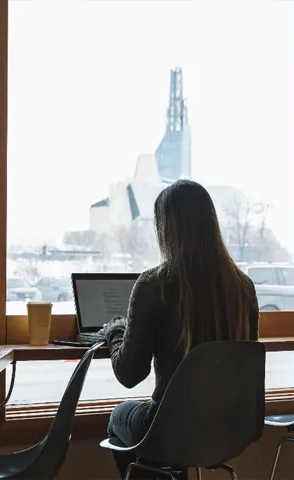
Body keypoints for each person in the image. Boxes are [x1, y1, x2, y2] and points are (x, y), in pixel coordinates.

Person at [99, 179, 260, 479]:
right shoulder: (242, 287)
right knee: (171, 428)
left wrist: (115, 332)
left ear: (165, 229)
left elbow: (130, 374)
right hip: (229, 427)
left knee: (118, 418)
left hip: (171, 427)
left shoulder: (154, 285)